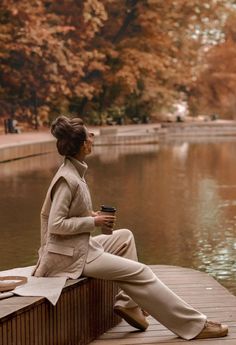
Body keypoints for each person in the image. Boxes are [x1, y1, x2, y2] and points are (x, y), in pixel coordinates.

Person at [33, 115, 228, 340]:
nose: (93, 135)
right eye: (89, 134)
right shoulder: (68, 179)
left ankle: (127, 303)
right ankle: (194, 326)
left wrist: (90, 214)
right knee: (142, 271)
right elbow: (56, 225)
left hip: (78, 246)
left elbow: (67, 214)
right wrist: (94, 222)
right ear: (82, 144)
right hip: (70, 257)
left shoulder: (74, 171)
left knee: (125, 237)